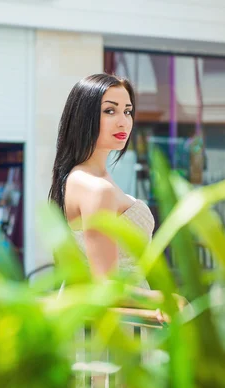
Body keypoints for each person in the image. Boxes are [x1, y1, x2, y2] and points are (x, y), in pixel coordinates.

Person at [48, 73, 156, 292]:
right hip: (117, 319)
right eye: (110, 111)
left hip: (123, 314)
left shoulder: (83, 178)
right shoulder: (96, 188)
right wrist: (170, 302)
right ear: (83, 117)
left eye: (127, 111)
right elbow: (106, 287)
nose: (123, 121)